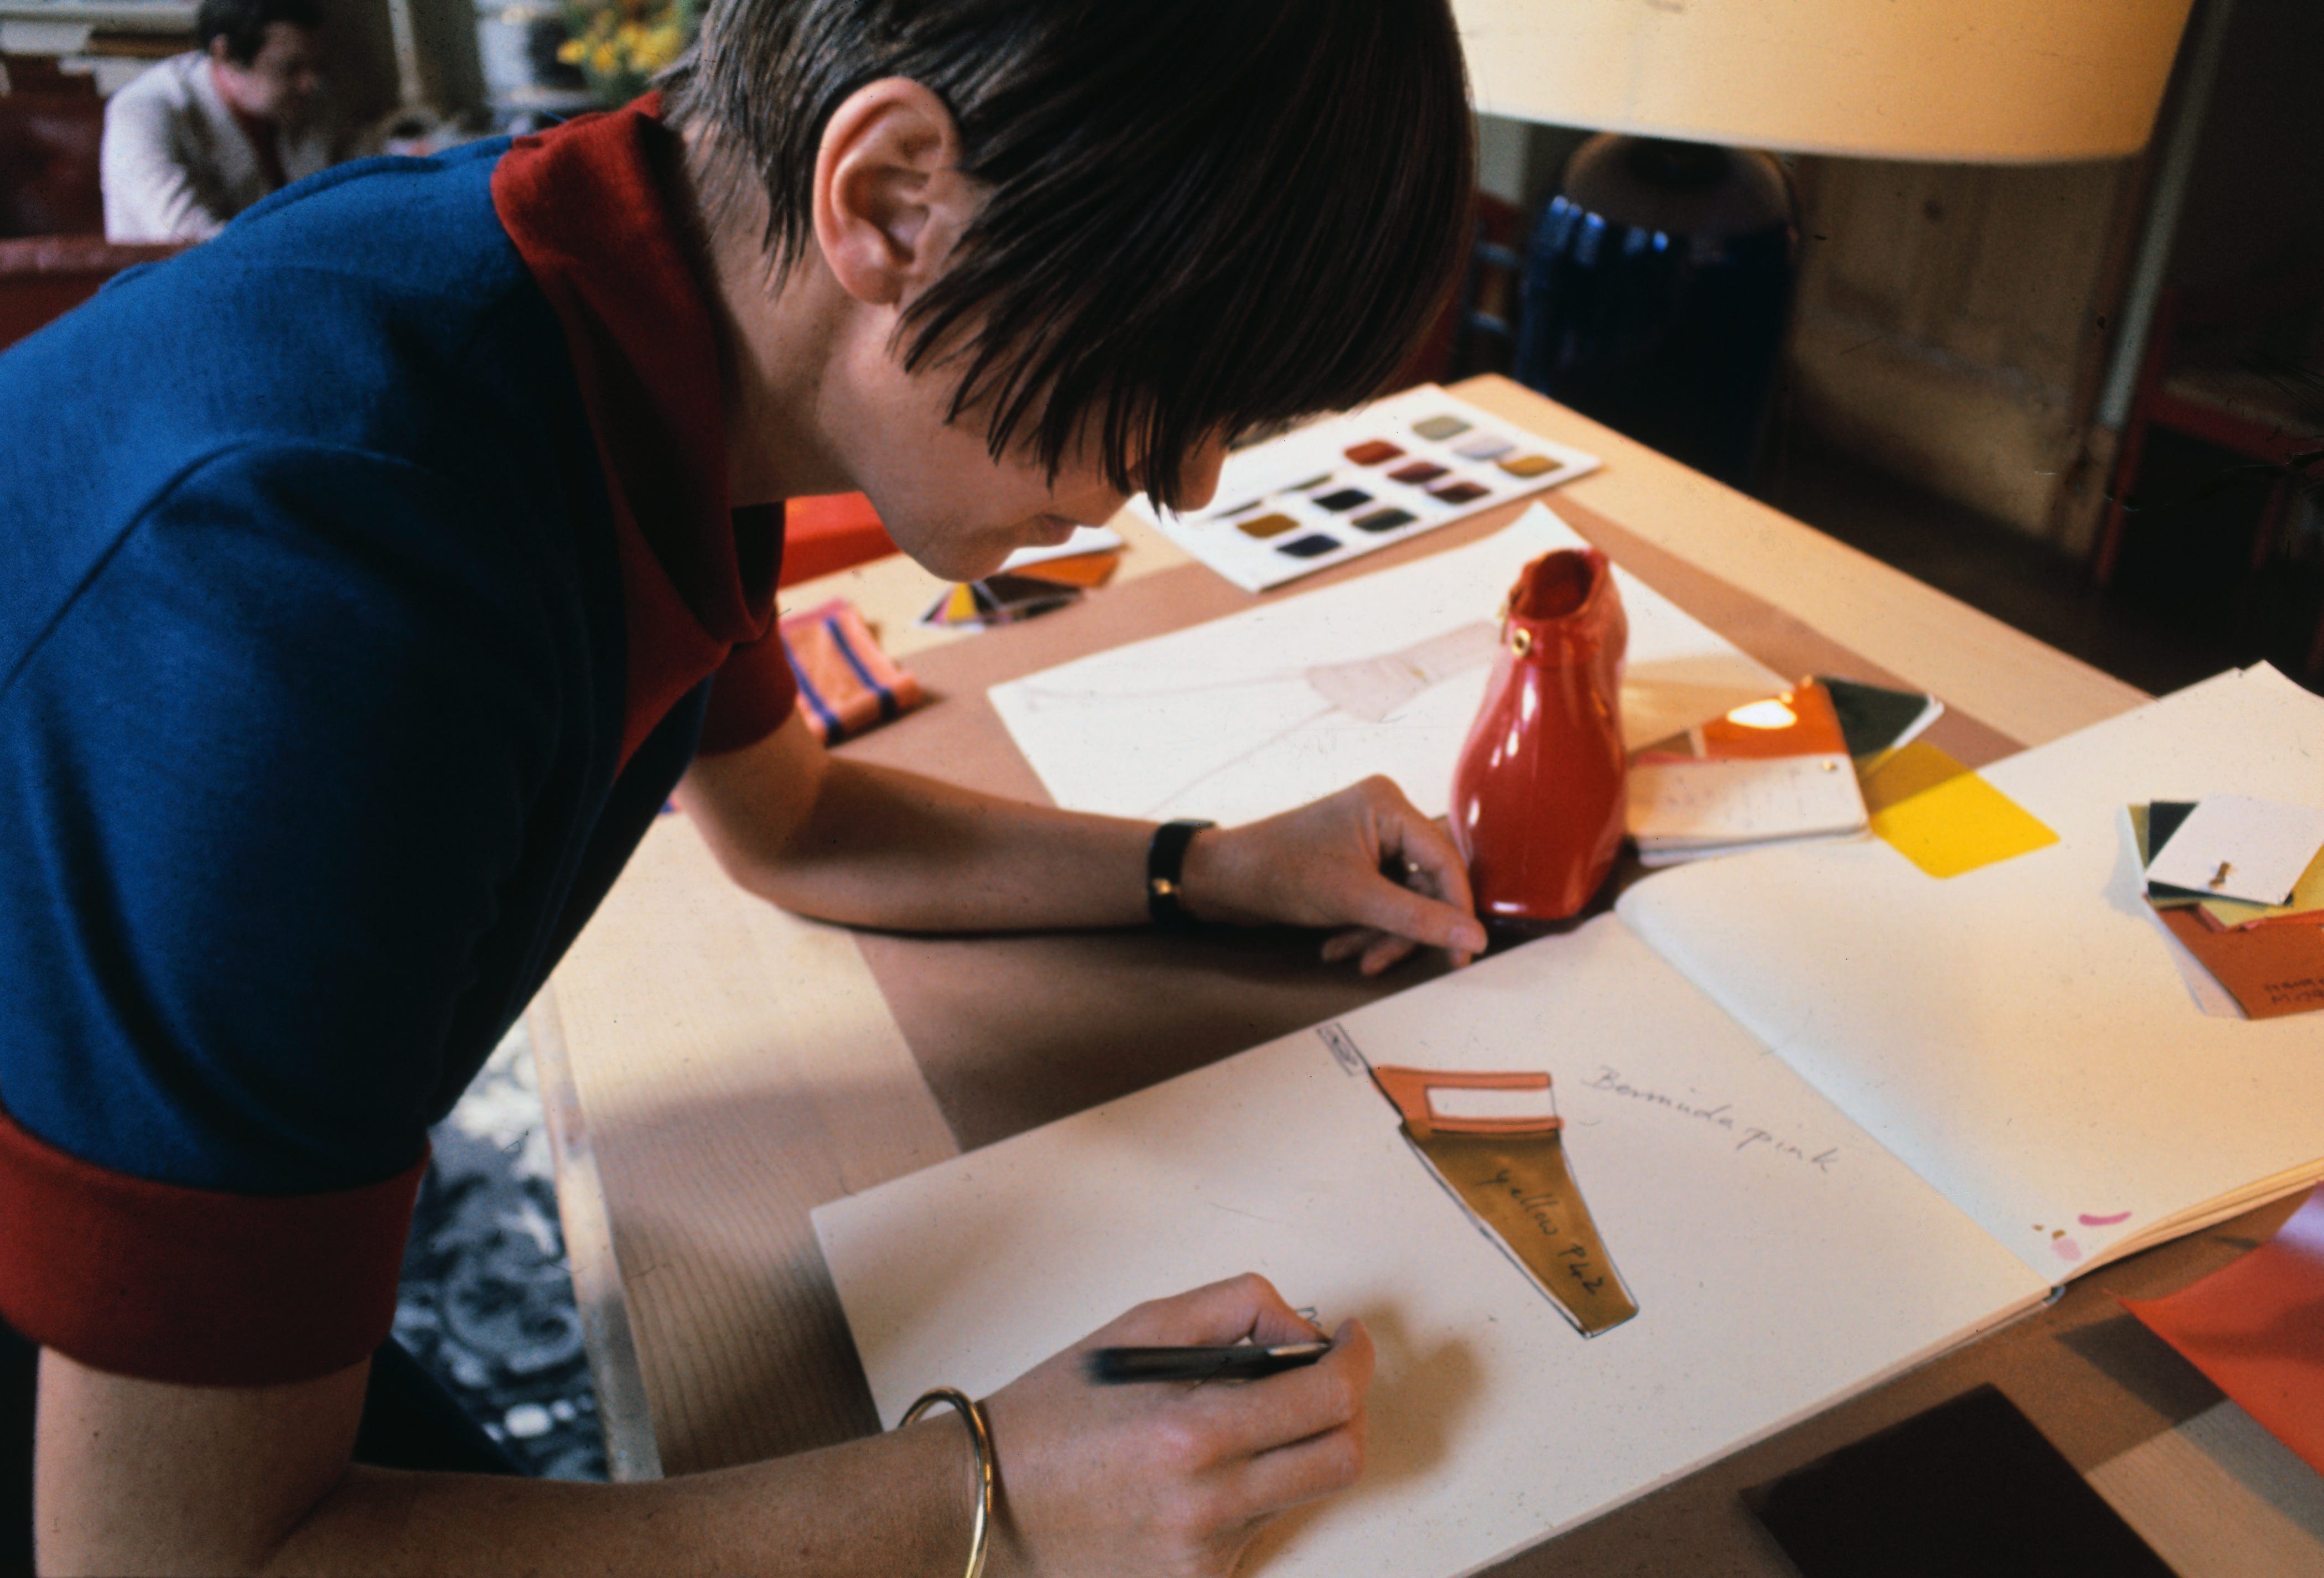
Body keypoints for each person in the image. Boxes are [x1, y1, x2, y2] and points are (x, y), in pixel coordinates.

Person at [0, 0, 1477, 1571]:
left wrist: (1211, 864)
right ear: (896, 199)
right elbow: (165, 1557)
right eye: (1181, 381)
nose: (1188, 480)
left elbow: (799, 825)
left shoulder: (629, 306)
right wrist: (992, 1492)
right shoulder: (334, 585)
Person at [98, 0, 335, 243]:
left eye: (317, 67)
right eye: (291, 68)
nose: (312, 84)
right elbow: (188, 240)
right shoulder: (143, 110)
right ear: (226, 54)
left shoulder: (295, 103)